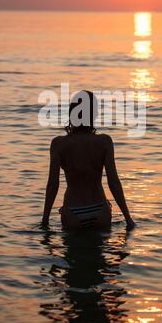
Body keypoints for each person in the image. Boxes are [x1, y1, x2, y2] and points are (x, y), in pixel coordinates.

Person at [41, 90, 136, 230]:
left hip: (73, 211)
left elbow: (52, 185)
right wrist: (128, 219)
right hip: (100, 210)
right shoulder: (104, 142)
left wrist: (45, 220)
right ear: (94, 114)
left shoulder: (58, 144)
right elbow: (114, 182)